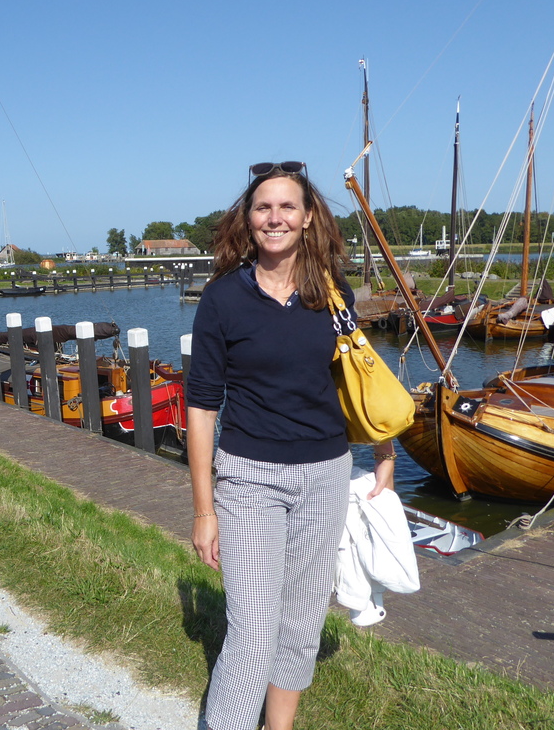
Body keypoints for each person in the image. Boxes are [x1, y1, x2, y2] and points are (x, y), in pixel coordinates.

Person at [186, 161, 395, 730]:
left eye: (286, 207)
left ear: (307, 218)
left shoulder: (333, 294)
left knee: (302, 617)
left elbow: (358, 379)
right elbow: (202, 408)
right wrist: (205, 511)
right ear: (247, 220)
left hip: (325, 473)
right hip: (248, 477)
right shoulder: (222, 301)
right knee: (253, 622)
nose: (274, 217)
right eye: (262, 207)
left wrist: (384, 451)